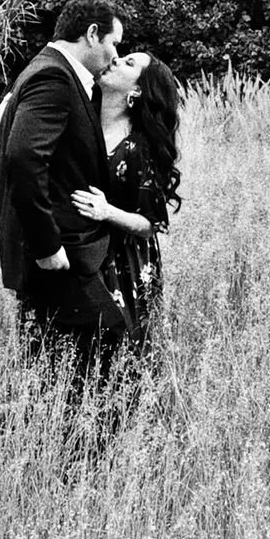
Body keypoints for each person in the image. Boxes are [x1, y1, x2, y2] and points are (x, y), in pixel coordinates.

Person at [0, 0, 129, 413]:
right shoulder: (53, 78)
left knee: (55, 369)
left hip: (68, 254)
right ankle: (72, 460)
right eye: (113, 43)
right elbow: (23, 157)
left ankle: (55, 457)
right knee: (82, 363)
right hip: (59, 258)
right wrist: (46, 246)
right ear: (91, 34)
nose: (115, 55)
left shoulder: (50, 74)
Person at [71, 51, 181, 355]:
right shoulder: (80, 120)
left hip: (124, 265)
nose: (116, 60)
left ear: (136, 91)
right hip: (81, 255)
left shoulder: (138, 147)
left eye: (129, 63)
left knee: (122, 356)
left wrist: (107, 212)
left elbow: (151, 223)